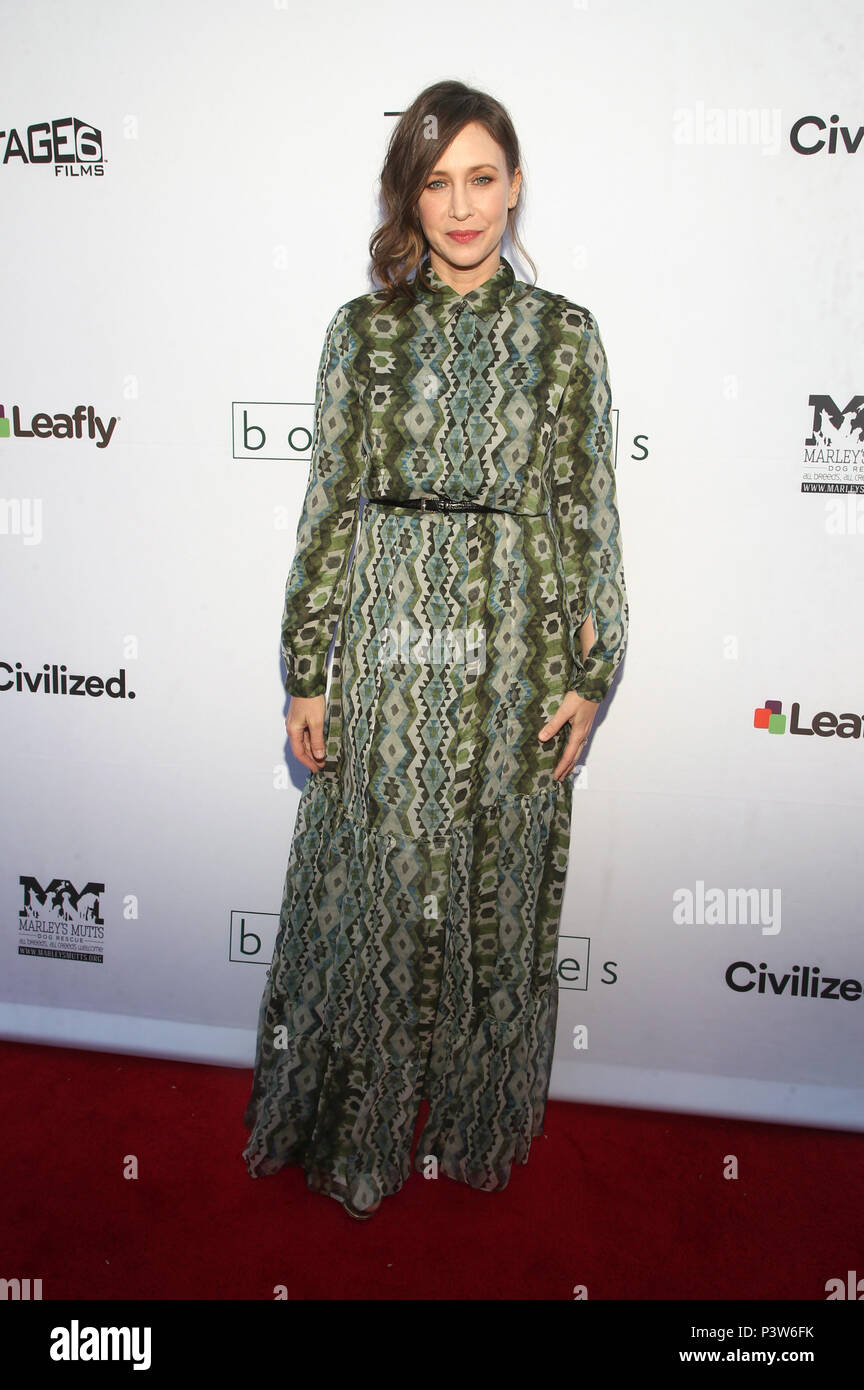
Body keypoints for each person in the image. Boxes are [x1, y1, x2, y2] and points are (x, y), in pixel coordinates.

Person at [241, 79, 628, 1220]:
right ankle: (353, 1127)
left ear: (514, 187)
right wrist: (309, 667)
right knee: (374, 893)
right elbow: (327, 507)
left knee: (493, 897)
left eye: (483, 178)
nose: (462, 208)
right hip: (385, 646)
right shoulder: (361, 334)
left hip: (517, 641)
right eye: (437, 181)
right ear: (409, 196)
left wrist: (591, 675)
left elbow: (590, 514)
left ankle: (474, 1122)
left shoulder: (564, 338)